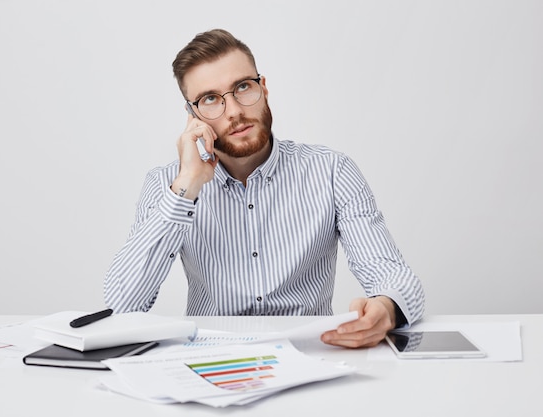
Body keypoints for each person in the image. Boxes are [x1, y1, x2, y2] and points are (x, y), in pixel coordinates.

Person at [103, 28, 425, 348]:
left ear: (264, 88)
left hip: (310, 360)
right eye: (210, 99)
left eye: (243, 87)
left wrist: (386, 308)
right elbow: (122, 304)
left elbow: (391, 274)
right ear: (192, 116)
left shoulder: (332, 171)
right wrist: (187, 185)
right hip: (213, 361)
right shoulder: (167, 184)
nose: (234, 111)